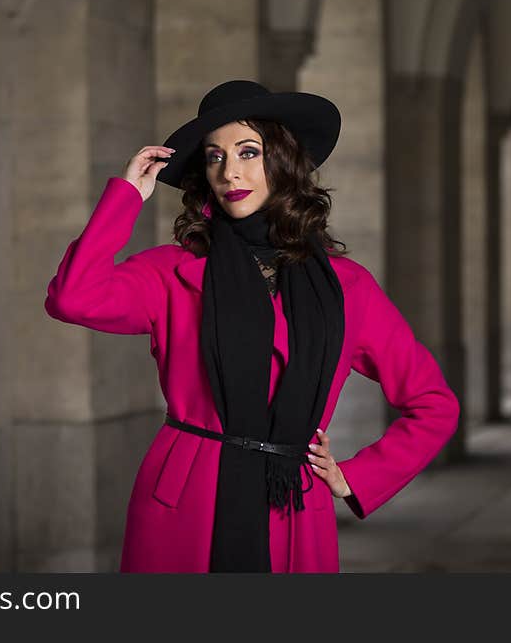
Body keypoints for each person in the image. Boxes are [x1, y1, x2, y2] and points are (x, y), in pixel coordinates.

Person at [45, 80, 460, 573]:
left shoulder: (347, 287)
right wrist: (127, 197)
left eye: (248, 152)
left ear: (282, 163)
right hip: (188, 497)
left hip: (292, 504)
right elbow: (73, 299)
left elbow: (434, 404)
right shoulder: (171, 272)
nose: (229, 171)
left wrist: (355, 477)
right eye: (214, 157)